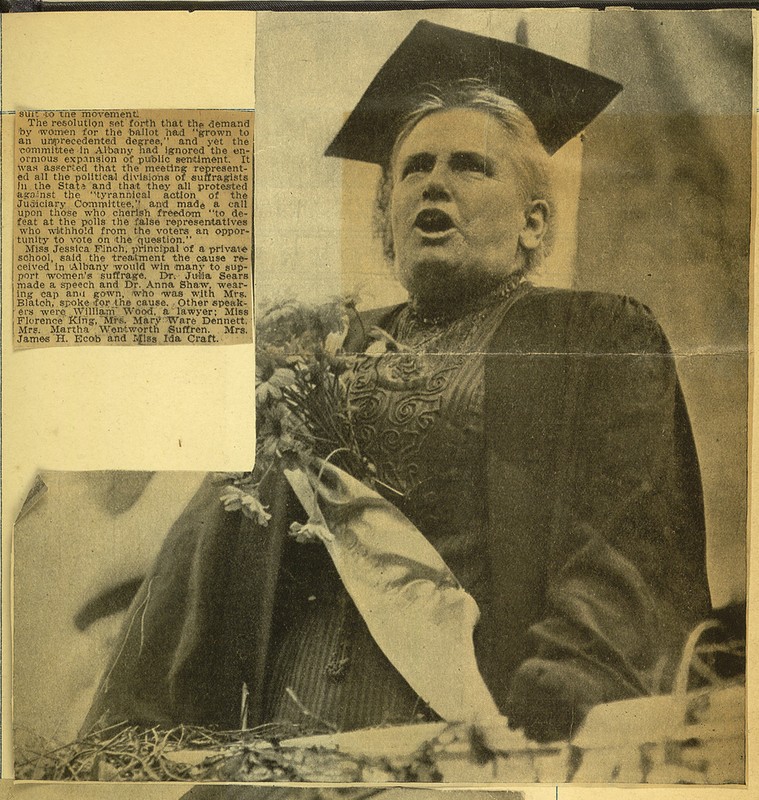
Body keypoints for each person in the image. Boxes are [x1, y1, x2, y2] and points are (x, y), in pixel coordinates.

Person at [84, 21, 711, 744]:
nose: (433, 182)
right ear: (385, 217)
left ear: (533, 222)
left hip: (467, 727)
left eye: (470, 166)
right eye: (413, 169)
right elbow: (202, 560)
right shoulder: (314, 353)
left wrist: (570, 678)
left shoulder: (592, 335)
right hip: (280, 742)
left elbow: (626, 538)